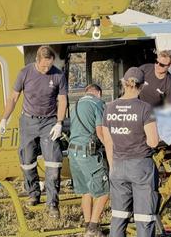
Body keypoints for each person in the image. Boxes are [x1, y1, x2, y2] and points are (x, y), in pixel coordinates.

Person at [0, 46, 68, 218]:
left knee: (53, 164)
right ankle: (33, 193)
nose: (46, 69)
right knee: (27, 161)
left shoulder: (58, 75)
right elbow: (13, 97)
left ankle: (52, 204)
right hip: (28, 121)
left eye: (49, 66)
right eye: (44, 66)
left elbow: (63, 99)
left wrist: (59, 123)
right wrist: (4, 119)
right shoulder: (25, 73)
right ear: (37, 61)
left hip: (49, 122)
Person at [101, 67, 160, 237]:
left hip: (117, 166)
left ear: (123, 84)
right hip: (141, 166)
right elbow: (153, 141)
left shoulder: (109, 108)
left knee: (119, 218)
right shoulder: (145, 108)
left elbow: (108, 142)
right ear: (142, 86)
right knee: (144, 219)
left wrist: (113, 167)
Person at [68, 84, 109, 237]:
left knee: (87, 190)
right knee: (105, 190)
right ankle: (93, 227)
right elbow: (100, 132)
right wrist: (111, 149)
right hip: (87, 152)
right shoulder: (98, 103)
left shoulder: (76, 105)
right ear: (98, 93)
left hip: (72, 152)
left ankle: (88, 226)